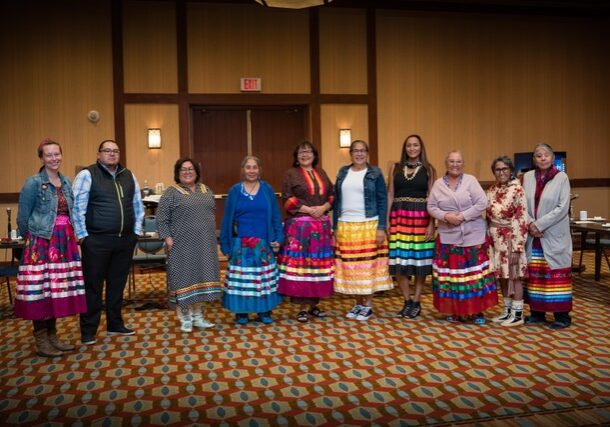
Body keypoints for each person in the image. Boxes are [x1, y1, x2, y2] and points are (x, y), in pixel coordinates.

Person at [15, 138, 87, 357]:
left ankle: (53, 337)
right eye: (49, 155)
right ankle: (42, 340)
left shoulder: (66, 182)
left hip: (63, 243)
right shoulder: (33, 183)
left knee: (54, 291)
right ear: (41, 158)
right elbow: (22, 219)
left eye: (57, 154)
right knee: (40, 292)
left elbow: (71, 213)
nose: (54, 158)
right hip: (41, 243)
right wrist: (34, 241)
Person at [72, 139, 144, 345]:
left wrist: (136, 232)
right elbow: (77, 207)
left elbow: (137, 205)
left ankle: (115, 323)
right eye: (107, 151)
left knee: (117, 285)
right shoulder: (87, 174)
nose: (112, 154)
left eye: (115, 151)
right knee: (93, 287)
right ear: (98, 154)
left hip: (124, 240)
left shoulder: (128, 175)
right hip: (96, 241)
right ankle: (88, 330)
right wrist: (82, 236)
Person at [427, 150, 497, 324]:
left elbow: (482, 203)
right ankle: (455, 310)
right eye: (451, 161)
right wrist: (446, 216)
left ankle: (477, 311)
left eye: (458, 161)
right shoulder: (438, 184)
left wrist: (463, 216)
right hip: (448, 236)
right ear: (446, 163)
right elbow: (431, 206)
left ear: (463, 164)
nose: (455, 165)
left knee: (474, 276)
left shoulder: (470, 180)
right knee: (453, 276)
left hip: (473, 235)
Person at [156, 158, 222, 332]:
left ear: (196, 172)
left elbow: (211, 214)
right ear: (177, 173)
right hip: (181, 246)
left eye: (190, 169)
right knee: (184, 279)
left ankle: (198, 316)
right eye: (183, 169)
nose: (187, 172)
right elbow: (161, 219)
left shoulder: (206, 190)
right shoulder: (171, 193)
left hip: (205, 245)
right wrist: (168, 238)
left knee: (203, 278)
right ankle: (185, 317)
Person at [333, 140, 394, 321]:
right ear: (350, 153)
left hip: (369, 224)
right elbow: (336, 200)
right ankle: (358, 303)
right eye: (355, 151)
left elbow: (383, 201)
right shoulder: (343, 172)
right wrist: (335, 226)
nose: (359, 154)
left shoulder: (375, 173)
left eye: (362, 151)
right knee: (352, 268)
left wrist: (382, 227)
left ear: (367, 153)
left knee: (368, 267)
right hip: (346, 225)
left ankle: (367, 305)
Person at [220, 156, 283, 325]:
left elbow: (276, 215)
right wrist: (225, 246)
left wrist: (278, 237)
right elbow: (226, 219)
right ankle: (241, 312)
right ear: (243, 170)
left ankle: (264, 310)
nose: (251, 171)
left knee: (262, 280)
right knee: (243, 281)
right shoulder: (234, 191)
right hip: (241, 244)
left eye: (254, 167)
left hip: (263, 243)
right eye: (248, 167)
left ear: (259, 169)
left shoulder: (267, 189)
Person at [277, 141, 334, 323]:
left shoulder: (322, 173)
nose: (305, 154)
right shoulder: (290, 174)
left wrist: (324, 206)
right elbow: (287, 198)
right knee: (303, 267)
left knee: (317, 267)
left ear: (314, 154)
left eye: (308, 151)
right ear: (296, 156)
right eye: (301, 152)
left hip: (321, 228)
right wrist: (310, 210)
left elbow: (332, 195)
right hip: (300, 229)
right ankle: (302, 307)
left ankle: (313, 305)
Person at [522, 143, 572, 329]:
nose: (542, 158)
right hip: (533, 236)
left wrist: (539, 224)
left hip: (552, 233)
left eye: (546, 155)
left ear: (552, 158)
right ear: (533, 159)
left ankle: (562, 316)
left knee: (555, 275)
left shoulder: (561, 177)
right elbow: (522, 205)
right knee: (536, 275)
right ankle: (537, 313)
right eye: (538, 155)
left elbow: (562, 207)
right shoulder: (527, 177)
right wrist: (530, 224)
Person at [387, 134, 436, 319]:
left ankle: (416, 301)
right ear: (405, 148)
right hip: (399, 218)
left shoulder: (429, 169)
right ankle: (406, 300)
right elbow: (391, 195)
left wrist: (432, 224)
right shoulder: (395, 167)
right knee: (399, 262)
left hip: (421, 218)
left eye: (416, 145)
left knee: (419, 263)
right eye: (409, 145)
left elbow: (432, 198)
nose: (412, 148)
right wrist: (388, 222)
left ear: (421, 148)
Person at [486, 156, 528, 327]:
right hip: (496, 240)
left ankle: (518, 314)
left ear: (511, 170)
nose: (501, 172)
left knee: (515, 275)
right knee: (502, 275)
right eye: (498, 169)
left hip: (512, 238)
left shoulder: (517, 189)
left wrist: (518, 244)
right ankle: (507, 311)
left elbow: (522, 217)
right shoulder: (491, 189)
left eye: (504, 169)